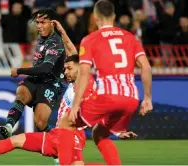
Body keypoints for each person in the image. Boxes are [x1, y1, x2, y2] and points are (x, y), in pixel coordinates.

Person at [0, 54, 136, 165]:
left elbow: (98, 110)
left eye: (69, 68)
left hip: (71, 136)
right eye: (65, 68)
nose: (65, 71)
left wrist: (115, 131)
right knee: (15, 140)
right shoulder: (76, 82)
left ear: (81, 66)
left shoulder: (87, 82)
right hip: (57, 135)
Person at [59, 0, 153, 165]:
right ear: (114, 16)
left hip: (108, 97)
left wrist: (75, 106)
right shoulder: (129, 37)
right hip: (131, 100)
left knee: (66, 122)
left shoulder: (90, 39)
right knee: (100, 133)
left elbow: (83, 73)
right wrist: (147, 98)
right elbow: (145, 66)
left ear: (95, 17)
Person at [0, 9, 66, 139]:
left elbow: (46, 68)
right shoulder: (40, 38)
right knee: (22, 91)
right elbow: (38, 63)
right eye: (38, 22)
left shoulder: (56, 42)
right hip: (35, 79)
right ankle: (8, 126)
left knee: (40, 123)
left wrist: (20, 71)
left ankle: (58, 148)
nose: (39, 26)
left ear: (52, 23)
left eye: (43, 22)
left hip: (50, 84)